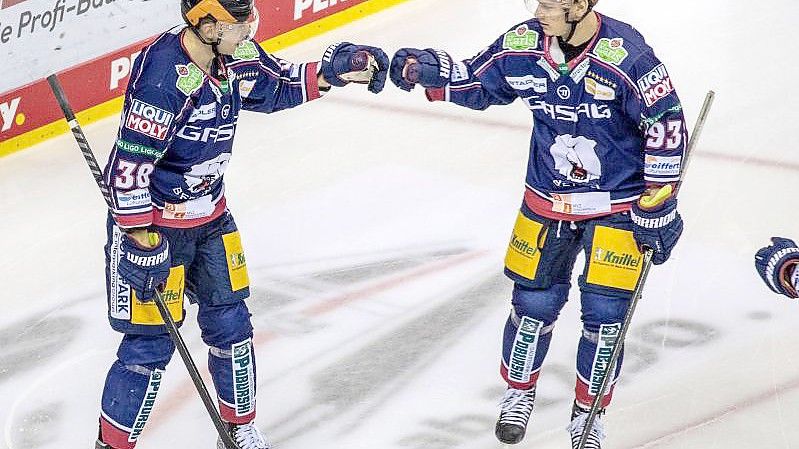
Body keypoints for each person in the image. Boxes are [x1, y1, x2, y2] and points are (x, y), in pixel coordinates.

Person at [388, 0, 685, 447]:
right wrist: (427, 72)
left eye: (549, 4)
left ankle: (588, 415)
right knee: (532, 306)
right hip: (545, 200)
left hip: (617, 208)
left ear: (581, 5)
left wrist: (658, 205)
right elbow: (477, 80)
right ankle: (518, 393)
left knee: (606, 319)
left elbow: (666, 126)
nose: (538, 11)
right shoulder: (525, 43)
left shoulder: (629, 57)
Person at [96, 1, 388, 448]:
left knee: (232, 327)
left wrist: (333, 71)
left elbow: (277, 86)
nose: (251, 26)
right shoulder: (163, 77)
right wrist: (139, 241)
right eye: (239, 20)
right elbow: (128, 168)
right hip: (157, 229)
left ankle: (239, 427)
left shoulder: (234, 54)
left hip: (211, 218)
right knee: (149, 349)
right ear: (206, 23)